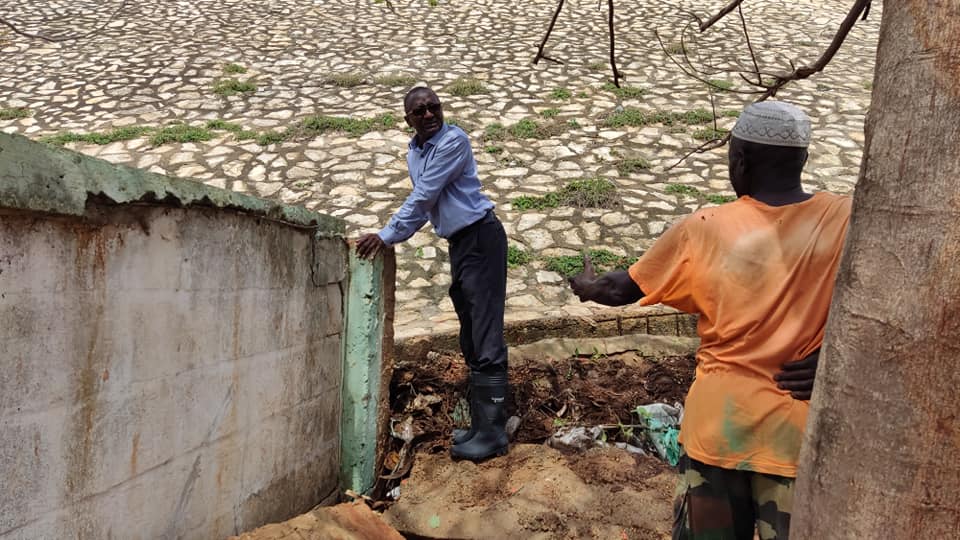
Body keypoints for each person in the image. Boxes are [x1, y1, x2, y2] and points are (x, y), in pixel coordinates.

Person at [568, 101, 851, 540]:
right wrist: (839, 362)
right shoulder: (844, 219)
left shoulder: (705, 227)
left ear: (739, 162)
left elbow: (621, 289)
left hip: (717, 431)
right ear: (804, 160)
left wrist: (586, 284)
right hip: (792, 435)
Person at [356, 86, 509, 461]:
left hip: (480, 239)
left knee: (485, 333)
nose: (428, 114)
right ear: (407, 118)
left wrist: (387, 235)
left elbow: (424, 196)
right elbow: (427, 204)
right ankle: (479, 426)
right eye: (419, 111)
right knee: (471, 334)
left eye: (433, 107)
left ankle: (493, 435)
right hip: (460, 244)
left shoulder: (452, 142)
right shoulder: (415, 150)